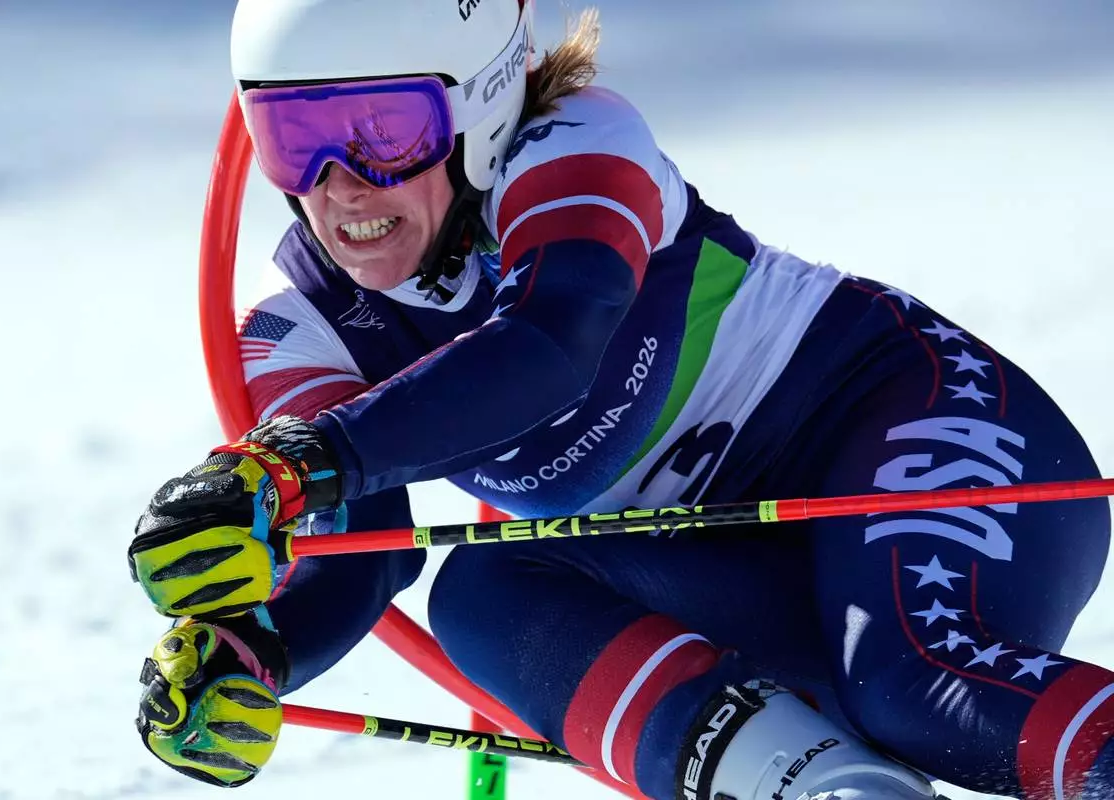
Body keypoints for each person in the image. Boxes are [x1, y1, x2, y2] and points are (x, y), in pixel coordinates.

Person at [127, 0, 1114, 797]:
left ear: (478, 106)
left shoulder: (574, 143)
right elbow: (368, 544)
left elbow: (549, 344)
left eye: (385, 131)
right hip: (745, 567)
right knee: (485, 594)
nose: (341, 186)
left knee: (914, 686)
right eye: (294, 139)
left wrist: (298, 461)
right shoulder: (296, 317)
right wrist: (259, 653)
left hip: (916, 426)